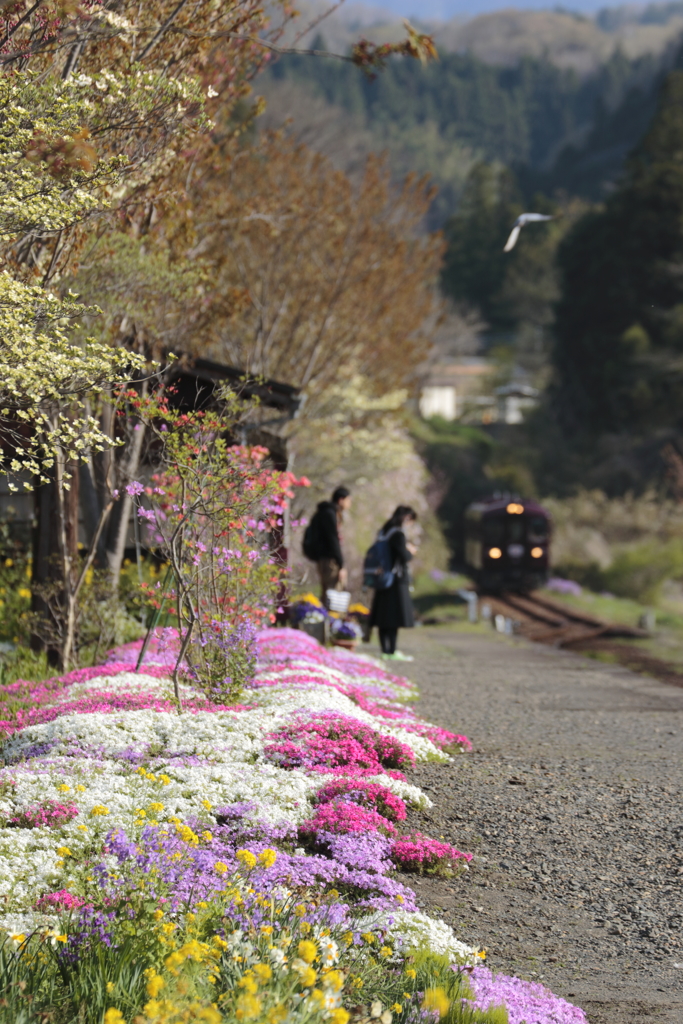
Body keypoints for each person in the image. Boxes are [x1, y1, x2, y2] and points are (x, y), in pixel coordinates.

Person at [369, 505, 417, 660]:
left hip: (382, 578)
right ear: (406, 518)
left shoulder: (384, 530)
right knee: (394, 618)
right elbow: (404, 557)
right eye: (411, 521)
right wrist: (410, 551)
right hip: (396, 580)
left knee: (383, 616)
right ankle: (392, 651)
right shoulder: (398, 534)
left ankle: (384, 650)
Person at [311, 486, 352, 608]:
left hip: (323, 559)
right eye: (348, 500)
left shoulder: (324, 512)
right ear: (341, 500)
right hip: (330, 561)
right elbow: (334, 541)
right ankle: (333, 624)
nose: (349, 504)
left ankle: (328, 623)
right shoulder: (330, 514)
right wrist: (341, 565)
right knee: (334, 596)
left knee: (327, 594)